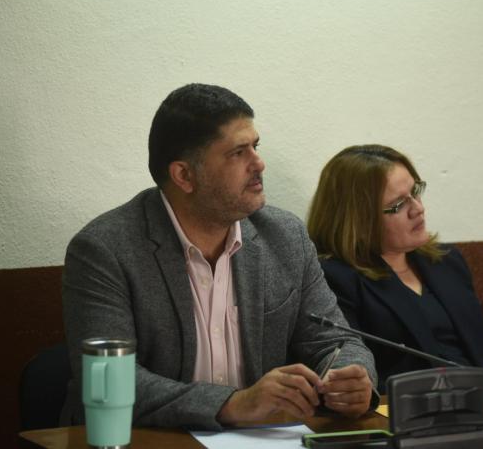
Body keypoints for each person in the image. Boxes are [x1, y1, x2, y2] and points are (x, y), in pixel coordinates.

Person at [61, 84, 377, 430]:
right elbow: (109, 383)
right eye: (238, 153)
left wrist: (352, 379)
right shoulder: (105, 250)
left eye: (255, 146)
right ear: (184, 175)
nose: (259, 163)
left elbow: (335, 340)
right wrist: (232, 403)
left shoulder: (284, 236)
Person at [307, 144, 483, 392]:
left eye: (416, 191)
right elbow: (360, 378)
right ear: (358, 219)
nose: (418, 208)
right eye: (399, 204)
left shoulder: (446, 261)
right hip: (412, 414)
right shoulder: (336, 279)